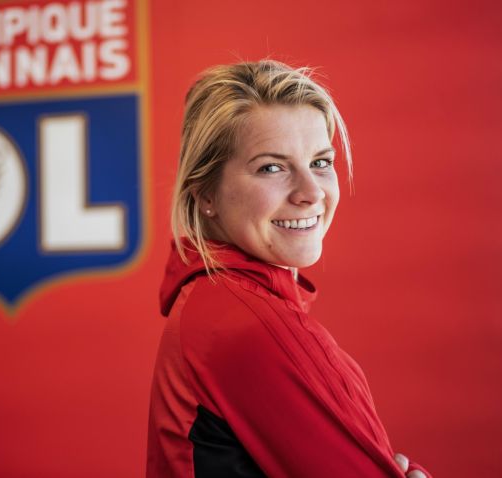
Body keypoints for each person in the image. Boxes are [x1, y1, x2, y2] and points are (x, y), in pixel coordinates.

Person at [146, 60, 432, 477]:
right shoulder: (250, 324)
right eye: (272, 167)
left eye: (320, 161)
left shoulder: (212, 301)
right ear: (206, 193)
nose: (311, 192)